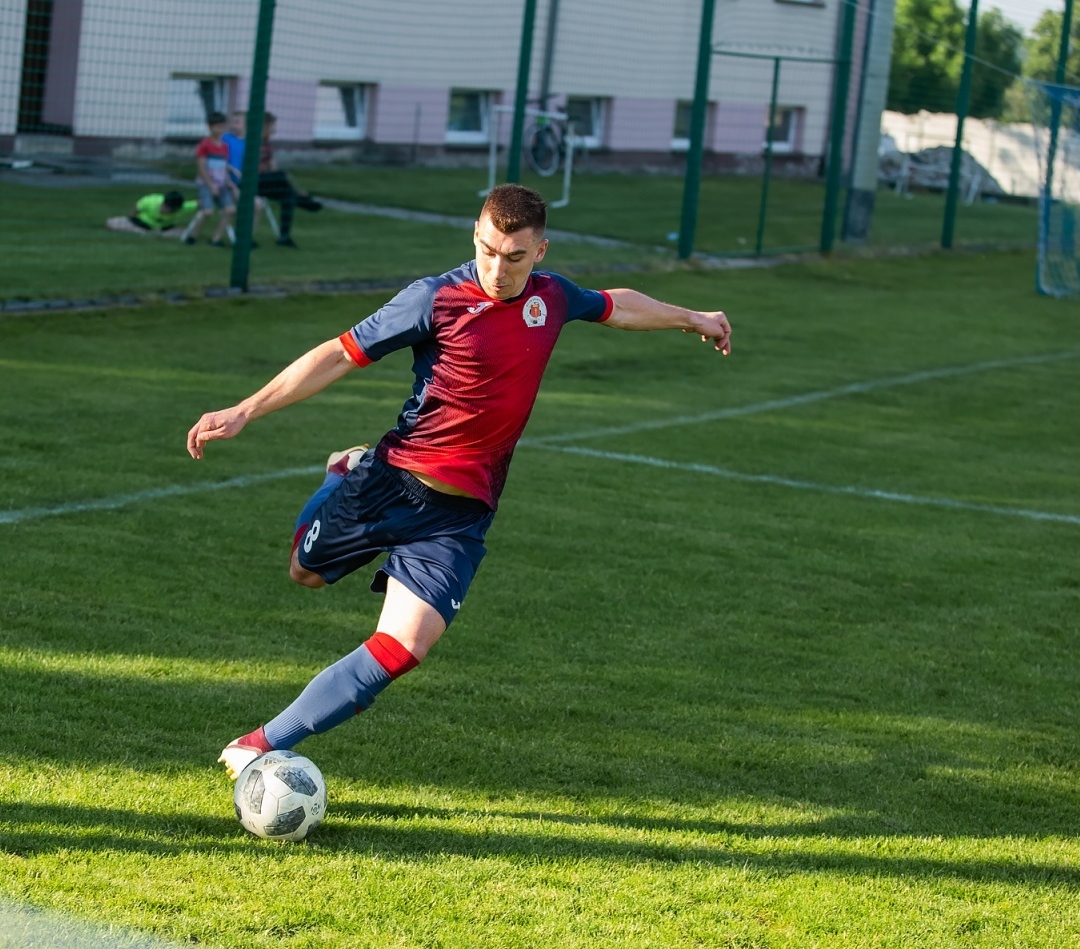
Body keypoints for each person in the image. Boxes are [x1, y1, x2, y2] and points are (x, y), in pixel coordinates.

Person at [184, 183, 732, 779]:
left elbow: (614, 304)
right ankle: (341, 474)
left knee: (402, 648)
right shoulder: (434, 298)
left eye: (514, 257)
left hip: (462, 514)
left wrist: (694, 318)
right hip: (390, 484)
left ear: (541, 252)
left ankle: (259, 744)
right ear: (476, 235)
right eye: (487, 250)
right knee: (305, 574)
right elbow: (340, 354)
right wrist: (246, 408)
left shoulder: (551, 299)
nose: (497, 268)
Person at [252, 114, 322, 248]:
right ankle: (304, 200)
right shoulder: (253, 142)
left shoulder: (267, 144)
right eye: (272, 126)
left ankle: (284, 238)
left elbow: (272, 166)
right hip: (253, 182)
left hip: (266, 181)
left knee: (288, 197)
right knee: (283, 176)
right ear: (264, 125)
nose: (274, 129)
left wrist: (272, 172)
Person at [180, 111, 236, 247]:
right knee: (208, 211)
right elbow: (202, 168)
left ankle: (216, 238)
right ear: (210, 127)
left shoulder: (224, 147)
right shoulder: (205, 144)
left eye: (222, 125)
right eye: (217, 126)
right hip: (207, 183)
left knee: (230, 210)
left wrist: (230, 183)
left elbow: (223, 167)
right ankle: (193, 236)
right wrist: (211, 185)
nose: (220, 129)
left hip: (221, 184)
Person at [105, 191, 197, 237]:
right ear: (164, 204)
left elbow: (199, 203)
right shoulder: (150, 201)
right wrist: (132, 220)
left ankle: (151, 233)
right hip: (142, 224)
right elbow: (136, 210)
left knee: (187, 233)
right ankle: (146, 232)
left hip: (165, 228)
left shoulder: (183, 207)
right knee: (111, 223)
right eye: (170, 209)